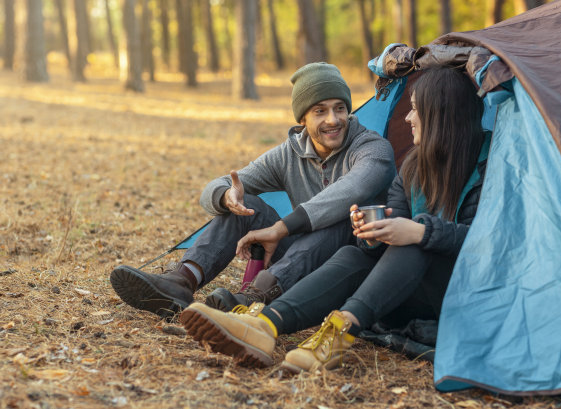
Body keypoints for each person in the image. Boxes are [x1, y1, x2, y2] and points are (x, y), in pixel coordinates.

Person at [178, 66, 490, 372]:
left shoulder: (488, 168)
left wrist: (420, 233)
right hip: (399, 295)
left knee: (411, 244)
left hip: (461, 295)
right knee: (355, 253)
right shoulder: (413, 167)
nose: (408, 118)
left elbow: (493, 244)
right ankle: (263, 324)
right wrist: (371, 236)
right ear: (302, 119)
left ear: (441, 114)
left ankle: (338, 333)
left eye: (415, 110)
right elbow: (387, 241)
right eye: (319, 111)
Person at [110, 62, 396, 318]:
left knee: (341, 218)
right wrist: (226, 197)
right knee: (245, 203)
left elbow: (349, 190)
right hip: (299, 263)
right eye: (320, 111)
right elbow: (217, 186)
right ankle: (181, 281)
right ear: (303, 120)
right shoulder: (289, 154)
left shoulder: (373, 149)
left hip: (353, 268)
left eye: (340, 108)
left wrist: (280, 229)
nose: (333, 119)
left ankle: (254, 300)